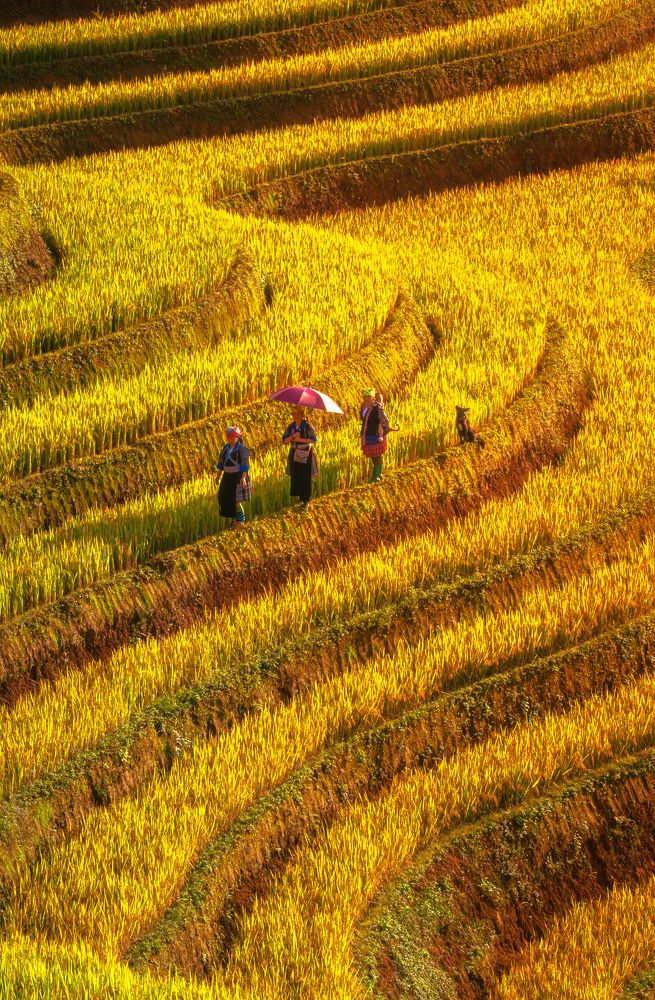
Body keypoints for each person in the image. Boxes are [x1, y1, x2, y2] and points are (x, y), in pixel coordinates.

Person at [282, 407, 318, 510]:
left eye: (298, 413)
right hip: (294, 453)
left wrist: (301, 439)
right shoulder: (291, 426)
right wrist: (293, 437)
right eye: (294, 413)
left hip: (305, 453)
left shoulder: (307, 426)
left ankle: (306, 501)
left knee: (305, 476)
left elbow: (314, 439)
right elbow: (284, 440)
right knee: (296, 476)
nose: (296, 415)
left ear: (302, 414)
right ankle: (301, 499)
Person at [215, 426, 250, 528]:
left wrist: (243, 478)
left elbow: (245, 464)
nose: (230, 439)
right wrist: (218, 476)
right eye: (229, 437)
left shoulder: (241, 449)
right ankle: (234, 520)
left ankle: (241, 521)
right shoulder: (226, 448)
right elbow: (221, 463)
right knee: (224, 497)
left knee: (237, 501)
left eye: (233, 437)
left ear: (237, 437)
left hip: (238, 476)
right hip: (227, 476)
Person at [361, 387, 392, 483]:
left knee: (377, 456)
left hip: (376, 435)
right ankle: (379, 474)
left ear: (372, 397)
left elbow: (385, 421)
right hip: (367, 435)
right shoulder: (363, 407)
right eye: (364, 397)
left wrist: (382, 433)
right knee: (372, 456)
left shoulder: (377, 408)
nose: (366, 399)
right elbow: (363, 419)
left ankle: (376, 477)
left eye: (368, 397)